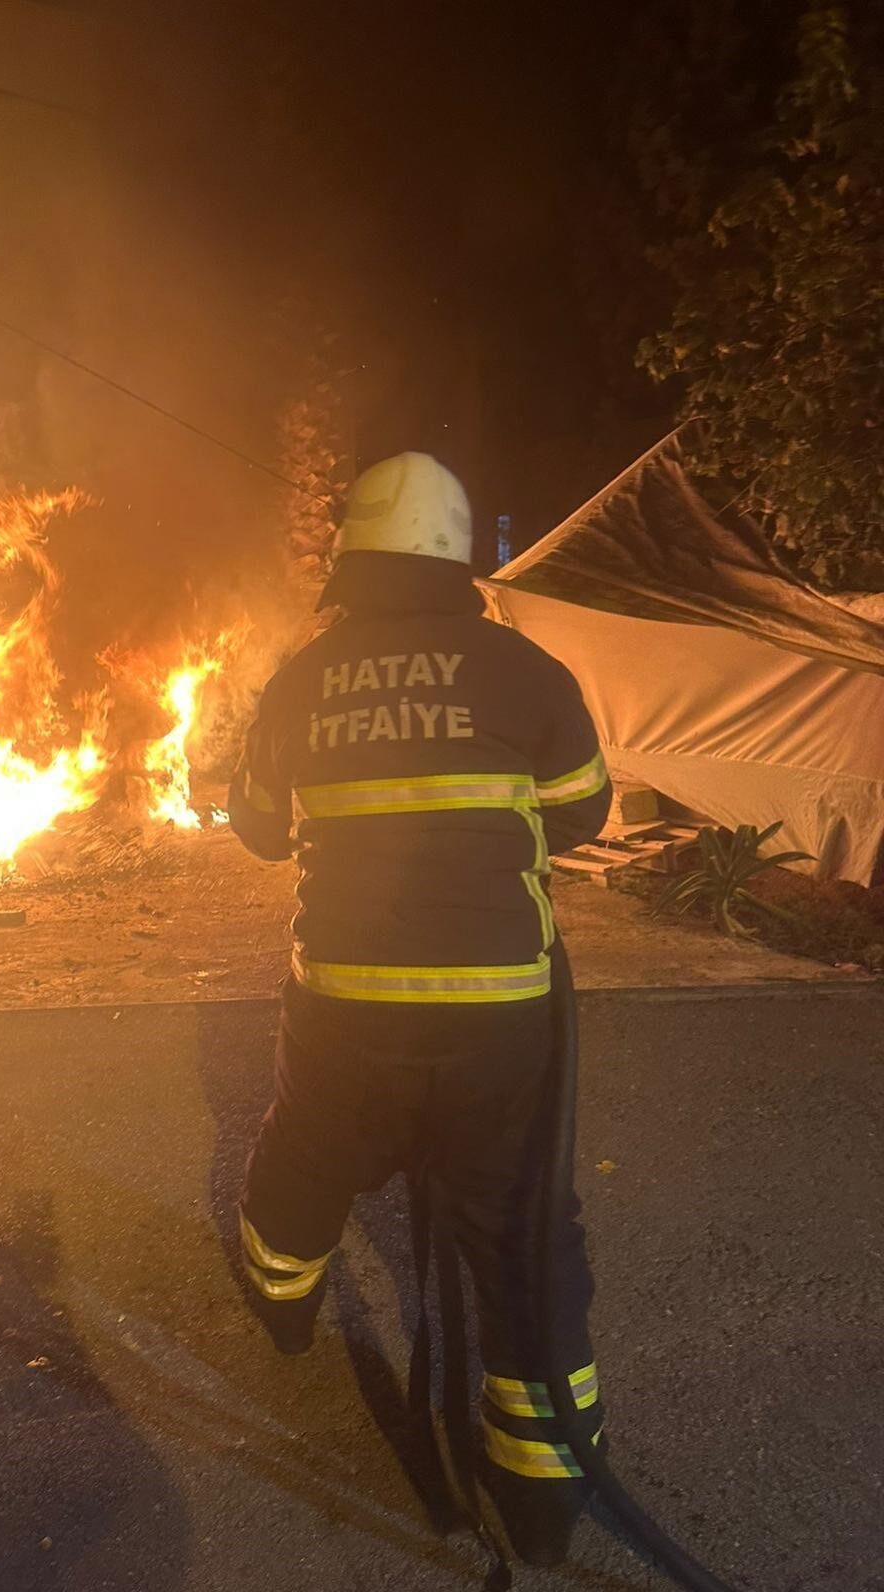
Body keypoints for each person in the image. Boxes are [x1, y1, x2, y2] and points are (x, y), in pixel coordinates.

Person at [227, 452, 612, 1566]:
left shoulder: (302, 677)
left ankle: (284, 1299)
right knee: (518, 1222)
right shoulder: (524, 667)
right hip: (501, 1010)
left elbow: (255, 826)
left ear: (349, 557)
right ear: (461, 563)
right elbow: (584, 813)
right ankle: (541, 1495)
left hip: (344, 1001)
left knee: (304, 1152)